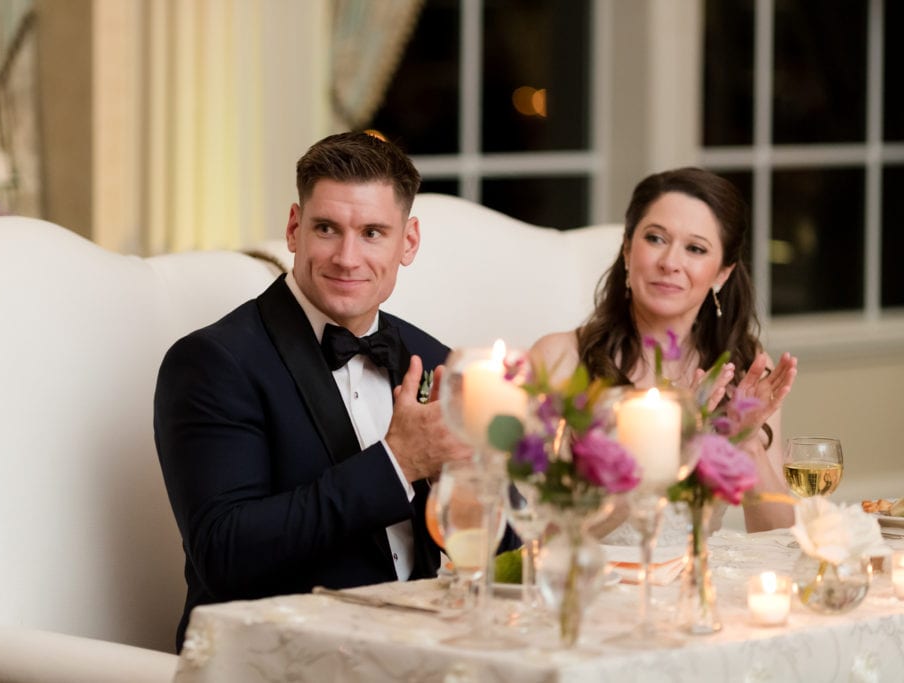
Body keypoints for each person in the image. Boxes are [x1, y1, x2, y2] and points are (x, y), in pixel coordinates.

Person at [154, 131, 514, 652]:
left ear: (407, 242)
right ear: (295, 229)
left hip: (416, 652)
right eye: (327, 228)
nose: (348, 258)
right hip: (270, 660)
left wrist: (463, 479)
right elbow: (224, 555)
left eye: (372, 232)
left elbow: (508, 559)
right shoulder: (214, 362)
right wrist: (399, 461)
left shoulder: (433, 360)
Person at [530, 167, 797, 544]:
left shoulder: (745, 364)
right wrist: (662, 448)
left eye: (695, 249)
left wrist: (749, 445)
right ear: (627, 249)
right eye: (656, 238)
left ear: (722, 274)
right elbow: (540, 538)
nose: (670, 262)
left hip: (693, 592)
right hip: (586, 588)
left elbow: (780, 539)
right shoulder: (560, 360)